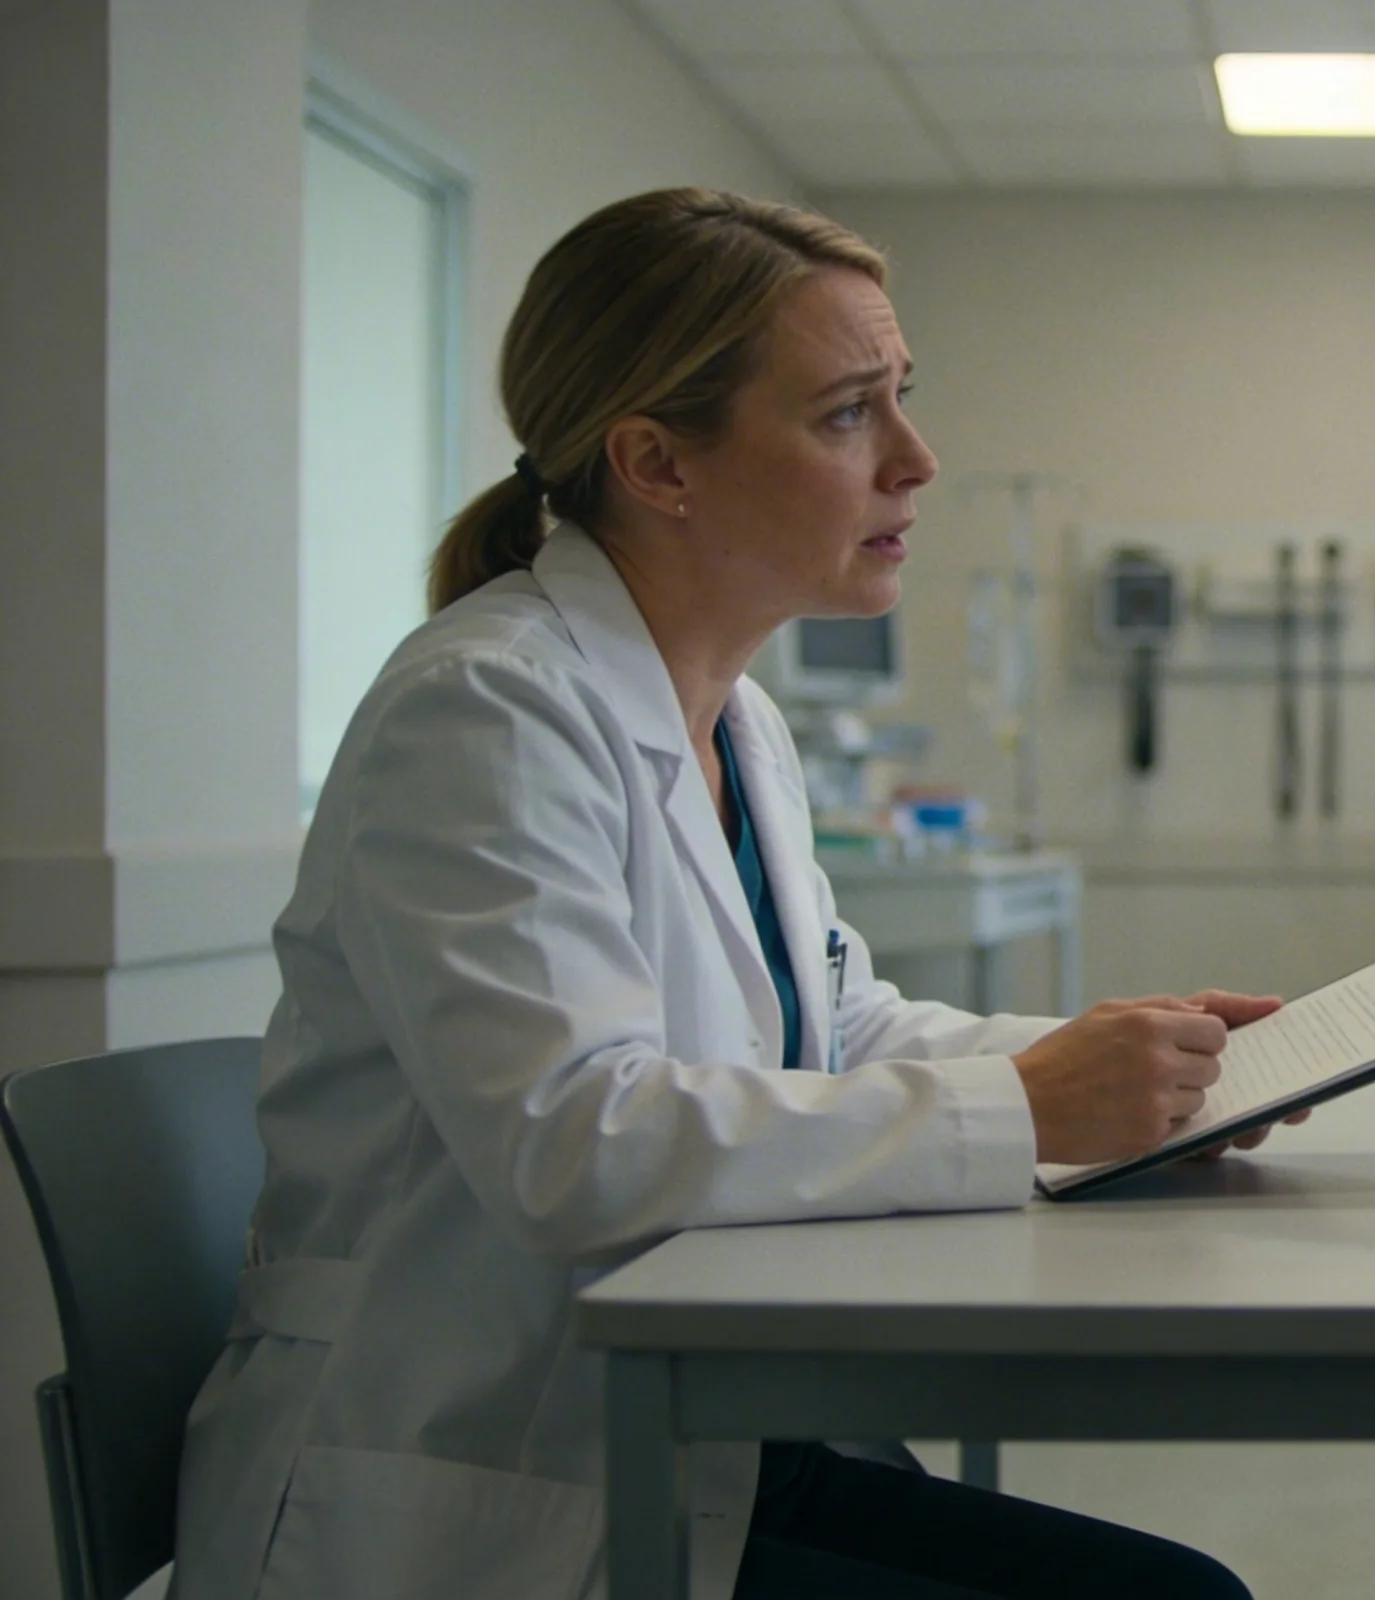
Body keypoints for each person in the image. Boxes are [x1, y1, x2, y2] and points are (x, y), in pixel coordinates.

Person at [174, 188, 1279, 1600]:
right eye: (847, 415)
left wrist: (1130, 1068)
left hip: (717, 1437)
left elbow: (838, 1030)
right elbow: (574, 1140)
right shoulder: (486, 710)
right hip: (496, 1479)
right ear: (657, 463)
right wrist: (1031, 1107)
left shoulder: (733, 719)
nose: (917, 462)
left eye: (905, 403)